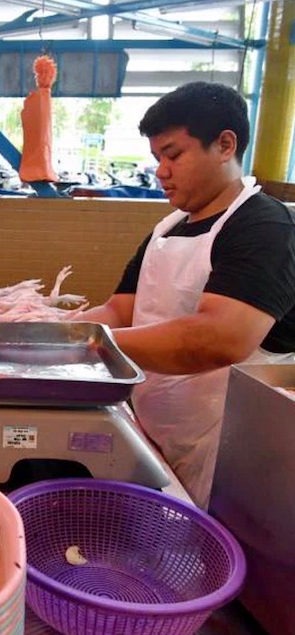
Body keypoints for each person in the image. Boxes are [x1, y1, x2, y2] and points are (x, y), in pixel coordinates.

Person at [77, 82, 295, 508]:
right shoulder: (166, 230)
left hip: (235, 452)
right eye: (158, 157)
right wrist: (47, 334)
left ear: (225, 144)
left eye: (174, 155)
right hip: (158, 429)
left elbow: (218, 339)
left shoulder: (264, 227)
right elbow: (119, 310)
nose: (161, 170)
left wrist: (87, 346)